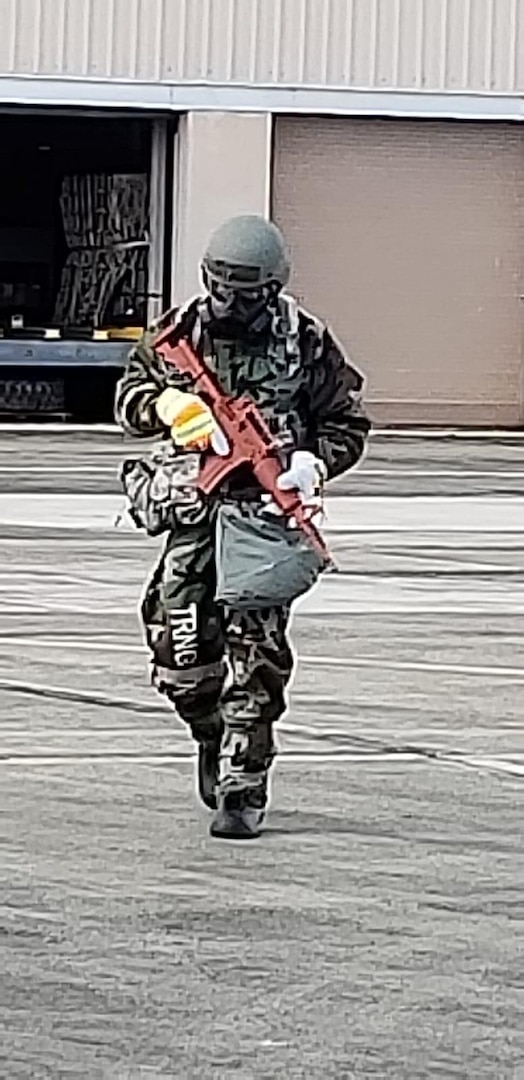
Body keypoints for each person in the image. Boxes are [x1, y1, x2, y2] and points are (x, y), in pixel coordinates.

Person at [114, 214, 370, 840]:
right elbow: (128, 396)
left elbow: (347, 422)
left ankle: (243, 779)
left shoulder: (305, 340)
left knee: (256, 655)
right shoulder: (180, 332)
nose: (233, 303)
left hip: (263, 518)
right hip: (195, 515)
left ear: (273, 286)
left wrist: (313, 464)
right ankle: (210, 732)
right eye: (223, 288)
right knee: (179, 655)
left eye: (248, 292)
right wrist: (166, 406)